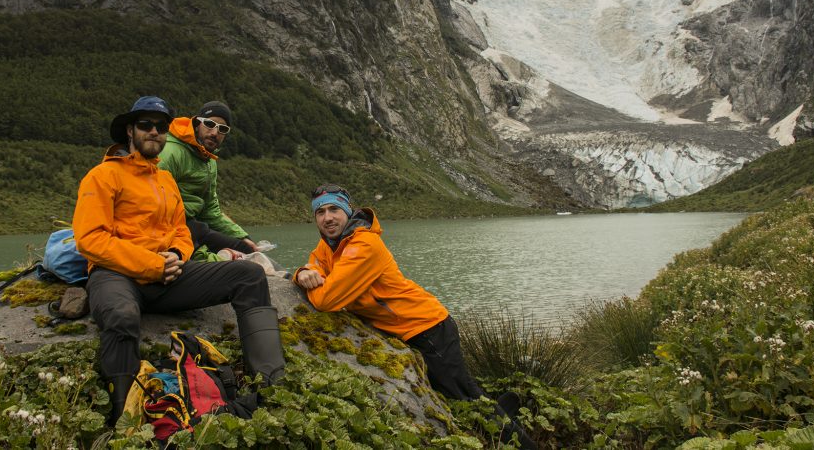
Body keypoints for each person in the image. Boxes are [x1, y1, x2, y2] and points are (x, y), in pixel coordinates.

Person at [72, 96, 285, 426]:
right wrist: (152, 264)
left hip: (166, 276)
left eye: (161, 126)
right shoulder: (102, 176)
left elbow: (180, 231)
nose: (154, 132)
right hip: (116, 275)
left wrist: (175, 255)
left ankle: (270, 389)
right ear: (130, 130)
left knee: (249, 275)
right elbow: (91, 240)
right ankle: (122, 420)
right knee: (122, 315)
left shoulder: (165, 180)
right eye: (146, 125)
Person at [293, 184, 537, 449]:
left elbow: (327, 299)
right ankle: (503, 407)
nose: (327, 217)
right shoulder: (330, 243)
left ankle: (524, 443)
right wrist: (302, 271)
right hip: (407, 328)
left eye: (334, 209)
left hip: (427, 328)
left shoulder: (364, 244)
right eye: (320, 212)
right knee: (458, 390)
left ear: (347, 211)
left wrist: (308, 280)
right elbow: (315, 264)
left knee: (463, 400)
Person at [158, 100, 258, 262]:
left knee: (246, 247)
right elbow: (155, 206)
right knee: (227, 259)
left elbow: (210, 209)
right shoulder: (170, 153)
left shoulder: (209, 161)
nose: (214, 132)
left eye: (222, 129)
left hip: (196, 226)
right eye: (210, 124)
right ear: (197, 124)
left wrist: (241, 235)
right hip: (173, 227)